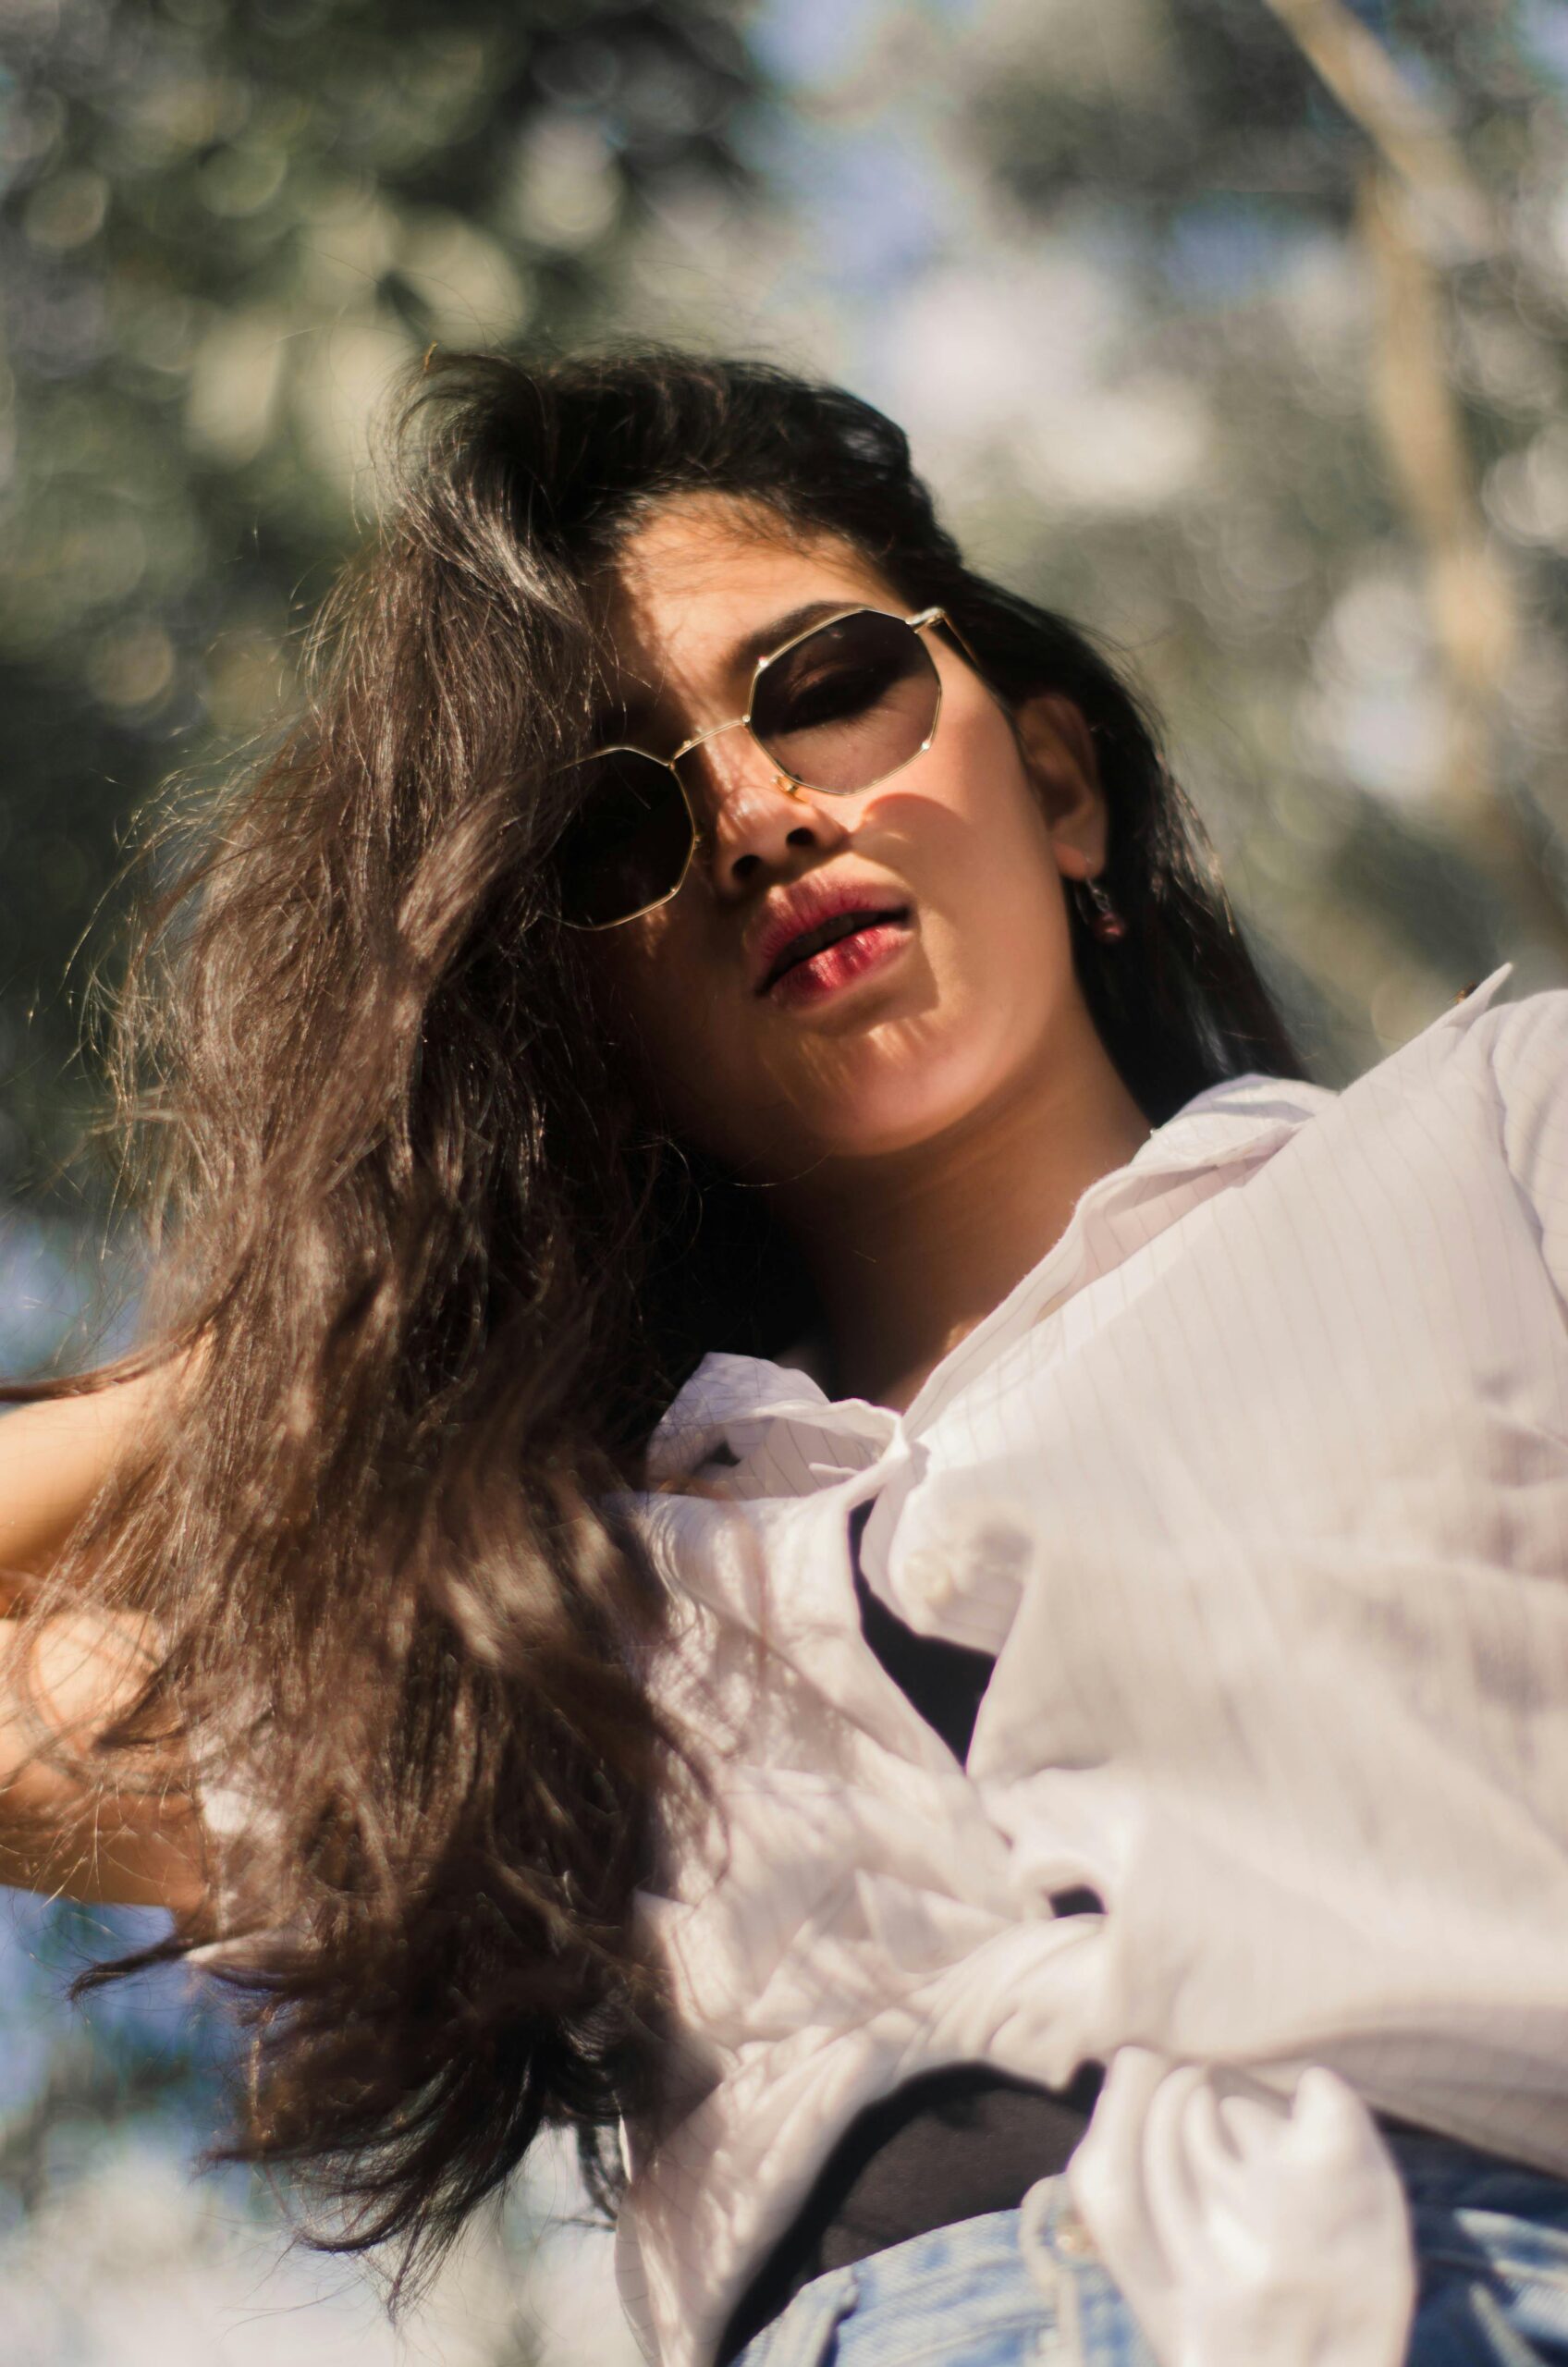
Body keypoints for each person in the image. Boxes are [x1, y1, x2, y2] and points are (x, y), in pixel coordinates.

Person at [4, 347, 1568, 2367]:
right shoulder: (540, 1616)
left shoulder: (1494, 1153)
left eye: (824, 684)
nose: (753, 816)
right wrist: (375, 1290)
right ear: (576, 1024)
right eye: (602, 831)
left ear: (1060, 780)